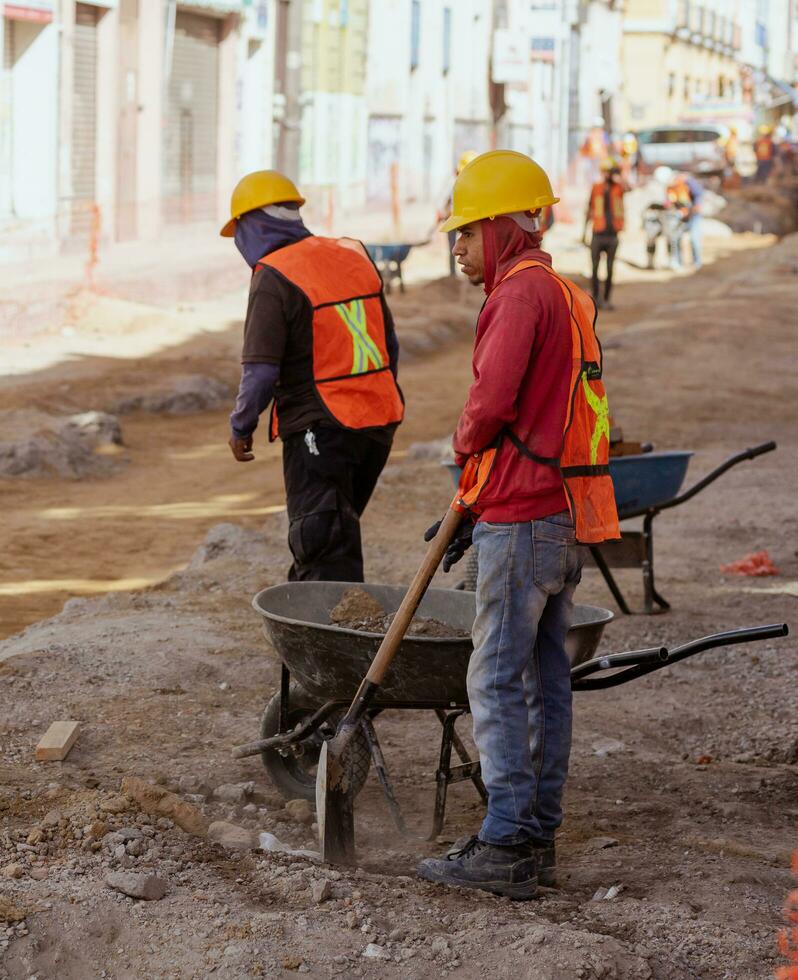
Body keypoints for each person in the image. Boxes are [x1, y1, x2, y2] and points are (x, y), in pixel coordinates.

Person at [417, 150, 619, 900]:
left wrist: (463, 449)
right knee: (544, 676)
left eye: (467, 233)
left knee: (495, 678)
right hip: (558, 513)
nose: (459, 248)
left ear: (503, 226)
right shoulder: (561, 292)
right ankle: (534, 837)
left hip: (525, 517)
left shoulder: (518, 295)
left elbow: (491, 404)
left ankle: (505, 844)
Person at [219, 170, 404, 583]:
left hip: (321, 426)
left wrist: (241, 425)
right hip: (378, 421)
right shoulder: (351, 252)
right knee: (332, 533)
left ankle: (333, 640)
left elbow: (261, 371)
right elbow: (388, 343)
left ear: (250, 226)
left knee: (323, 546)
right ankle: (320, 621)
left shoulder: (274, 274)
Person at [582, 158, 625, 309]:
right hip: (598, 233)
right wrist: (583, 233)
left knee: (610, 269)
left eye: (610, 171)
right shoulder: (596, 188)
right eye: (606, 171)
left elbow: (629, 187)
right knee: (594, 268)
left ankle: (607, 299)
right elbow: (589, 209)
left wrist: (618, 174)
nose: (607, 174)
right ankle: (596, 297)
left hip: (612, 235)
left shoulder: (619, 188)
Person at [439, 151, 481, 276]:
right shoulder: (454, 184)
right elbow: (447, 201)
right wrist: (444, 213)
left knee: (469, 247)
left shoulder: (476, 187)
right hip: (453, 219)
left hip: (468, 220)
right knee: (454, 248)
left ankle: (472, 271)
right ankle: (453, 273)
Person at [677, 171, 705, 270]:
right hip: (682, 216)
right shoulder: (675, 186)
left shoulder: (691, 183)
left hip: (693, 216)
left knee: (694, 239)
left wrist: (691, 211)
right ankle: (678, 262)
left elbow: (697, 202)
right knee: (677, 239)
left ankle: (697, 262)